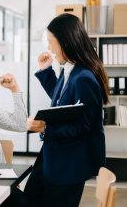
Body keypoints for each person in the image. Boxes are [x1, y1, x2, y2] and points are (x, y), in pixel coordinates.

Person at [24, 13, 108, 207]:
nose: (49, 47)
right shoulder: (71, 68)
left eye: (51, 42)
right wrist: (46, 70)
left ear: (66, 42)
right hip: (56, 157)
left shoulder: (84, 77)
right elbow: (62, 99)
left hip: (68, 164)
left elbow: (82, 126)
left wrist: (44, 128)